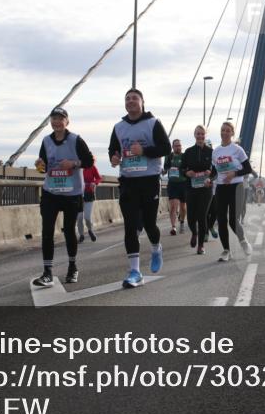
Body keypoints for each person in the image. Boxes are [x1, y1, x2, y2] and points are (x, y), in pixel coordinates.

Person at [109, 89, 171, 288]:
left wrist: (144, 150)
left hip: (149, 180)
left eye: (134, 98)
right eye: (127, 98)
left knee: (150, 224)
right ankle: (135, 271)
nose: (130, 101)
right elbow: (113, 149)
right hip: (128, 181)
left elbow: (165, 149)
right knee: (130, 226)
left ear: (142, 102)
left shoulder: (153, 123)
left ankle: (156, 248)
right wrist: (114, 157)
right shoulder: (118, 127)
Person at [32, 107, 95, 287]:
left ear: (67, 122)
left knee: (69, 231)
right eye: (54, 119)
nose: (57, 122)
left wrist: (74, 163)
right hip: (51, 192)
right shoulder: (46, 141)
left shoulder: (76, 140)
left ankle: (72, 267)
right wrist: (39, 165)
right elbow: (43, 167)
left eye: (61, 118)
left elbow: (90, 161)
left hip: (71, 193)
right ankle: (47, 273)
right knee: (47, 232)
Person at [211, 122, 253, 262]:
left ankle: (243, 241)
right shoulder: (216, 151)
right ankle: (226, 251)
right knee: (221, 219)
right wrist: (209, 178)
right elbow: (214, 171)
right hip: (221, 187)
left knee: (233, 220)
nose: (224, 132)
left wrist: (234, 174)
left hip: (236, 187)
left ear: (232, 133)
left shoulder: (237, 149)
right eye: (222, 130)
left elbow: (247, 169)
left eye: (227, 130)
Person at [183, 126, 214, 254]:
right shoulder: (188, 152)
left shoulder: (211, 152)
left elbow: (217, 171)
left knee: (202, 216)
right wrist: (187, 172)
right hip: (191, 188)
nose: (200, 136)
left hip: (206, 189)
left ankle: (201, 246)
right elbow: (182, 168)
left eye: (202, 134)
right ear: (194, 135)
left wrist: (210, 174)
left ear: (205, 135)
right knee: (191, 218)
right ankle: (194, 233)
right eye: (198, 134)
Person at [163, 139, 188, 236]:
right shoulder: (169, 156)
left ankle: (182, 222)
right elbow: (165, 167)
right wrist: (164, 171)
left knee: (183, 207)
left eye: (179, 145)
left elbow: (188, 167)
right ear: (173, 147)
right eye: (176, 146)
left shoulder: (184, 156)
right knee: (173, 206)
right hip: (172, 184)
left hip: (183, 183)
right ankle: (173, 227)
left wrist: (182, 170)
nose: (178, 147)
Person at [76, 162, 102, 243]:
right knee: (79, 217)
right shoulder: (75, 167)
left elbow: (98, 178)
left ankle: (90, 230)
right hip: (78, 195)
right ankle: (81, 235)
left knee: (87, 217)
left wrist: (94, 183)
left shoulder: (92, 167)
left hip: (89, 194)